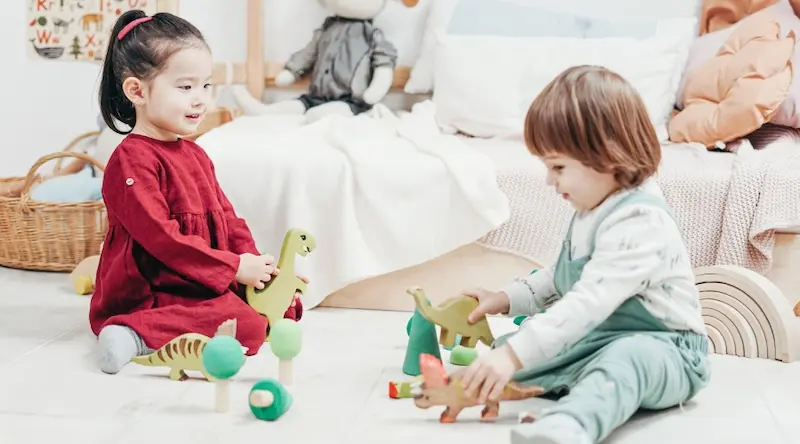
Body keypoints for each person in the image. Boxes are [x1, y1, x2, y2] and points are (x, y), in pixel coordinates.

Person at [459, 66, 710, 444]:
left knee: (625, 358)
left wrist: (513, 356)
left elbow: (587, 301)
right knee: (528, 346)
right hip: (604, 335)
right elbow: (560, 276)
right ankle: (492, 375)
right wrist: (507, 298)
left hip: (667, 349)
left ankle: (572, 426)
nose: (549, 180)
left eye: (558, 167)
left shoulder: (640, 221)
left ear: (608, 155)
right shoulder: (592, 210)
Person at [89, 10, 304, 375]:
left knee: (284, 305)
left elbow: (230, 221)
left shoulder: (197, 154)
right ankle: (132, 332)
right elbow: (162, 240)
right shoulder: (131, 160)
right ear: (137, 91)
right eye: (186, 87)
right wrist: (234, 268)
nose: (201, 99)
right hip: (152, 288)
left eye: (206, 86)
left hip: (201, 276)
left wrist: (260, 268)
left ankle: (219, 310)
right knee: (247, 325)